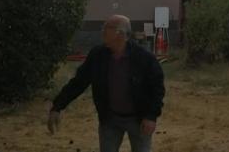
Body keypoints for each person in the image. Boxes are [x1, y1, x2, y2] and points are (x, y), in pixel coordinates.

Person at [47, 15, 165, 152]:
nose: (102, 31)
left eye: (106, 28)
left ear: (120, 33)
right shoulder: (98, 56)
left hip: (139, 119)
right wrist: (57, 106)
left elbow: (157, 89)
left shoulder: (144, 58)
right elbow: (78, 83)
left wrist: (151, 116)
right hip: (110, 119)